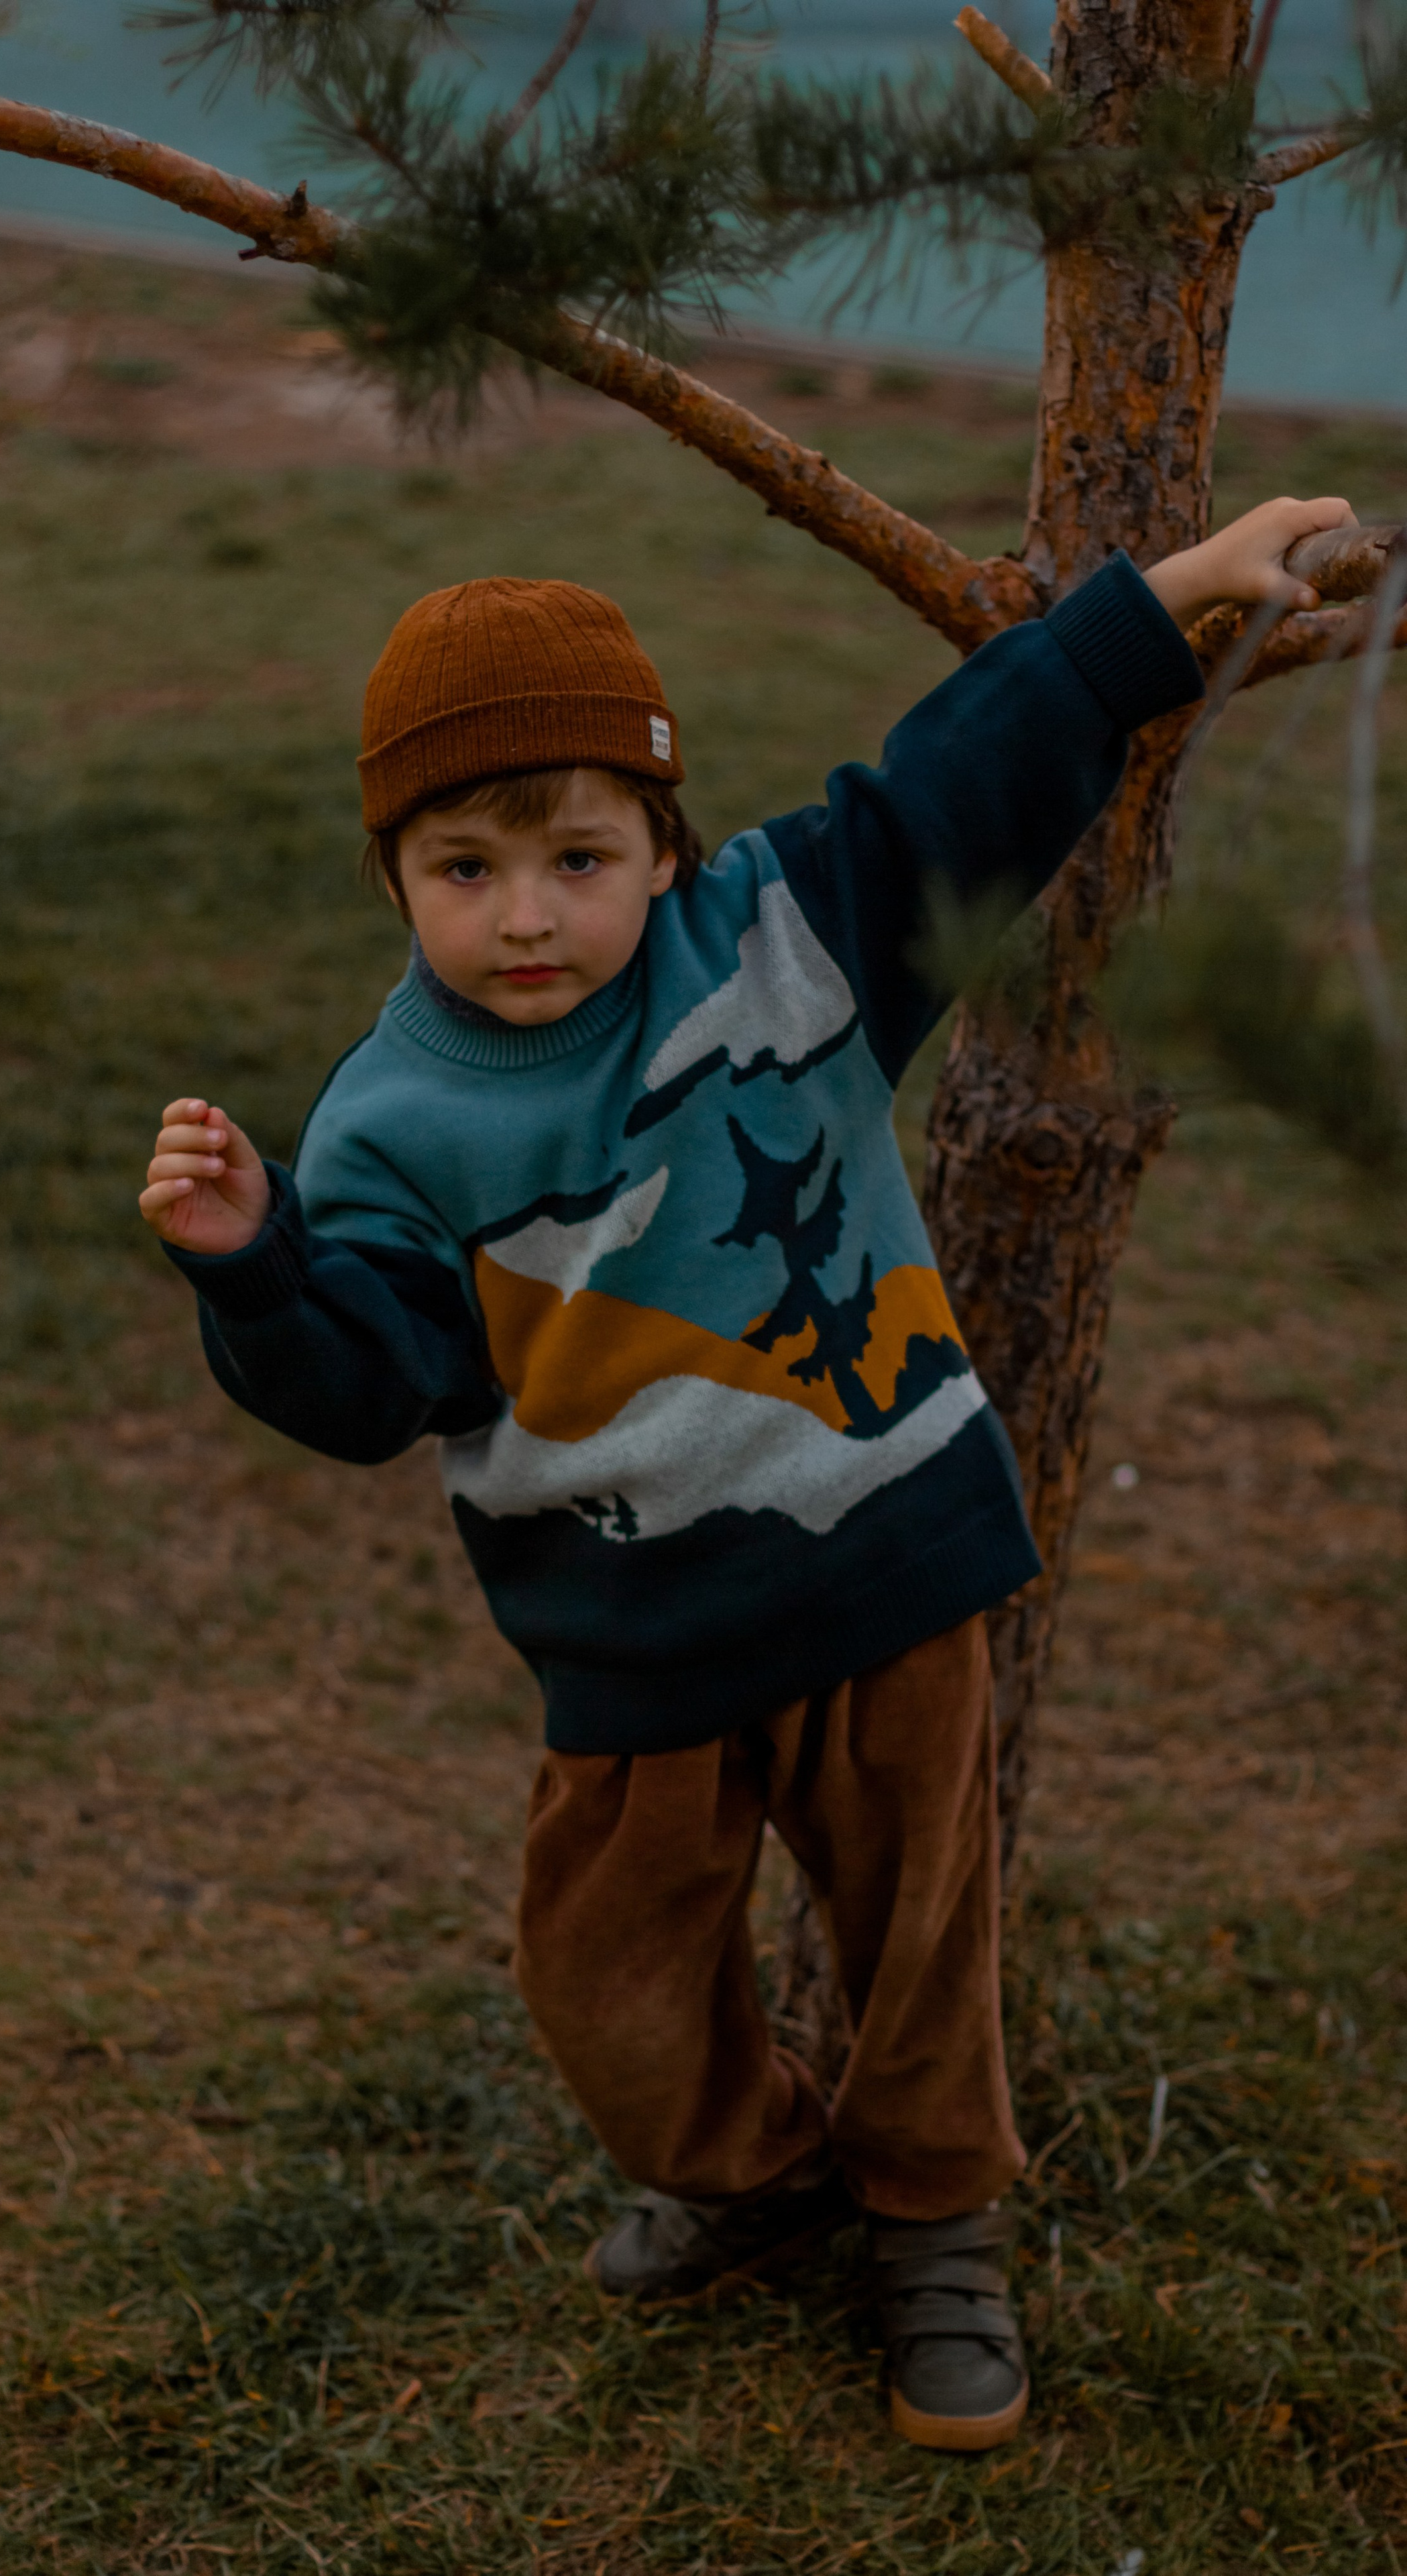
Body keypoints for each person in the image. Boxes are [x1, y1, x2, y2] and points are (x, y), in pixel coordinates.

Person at [139, 494, 1352, 2452]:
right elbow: (376, 1388)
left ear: (665, 843)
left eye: (579, 857)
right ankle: (760, 2170)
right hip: (635, 1635)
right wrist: (256, 1267)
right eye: (465, 868)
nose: (528, 917)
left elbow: (962, 785)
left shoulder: (786, 943)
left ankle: (936, 2222)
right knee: (603, 1984)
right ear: (393, 877)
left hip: (888, 1569)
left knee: (922, 1946)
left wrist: (1159, 607)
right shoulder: (388, 1125)